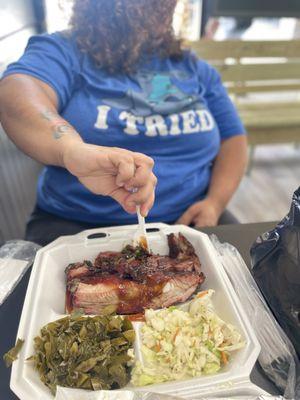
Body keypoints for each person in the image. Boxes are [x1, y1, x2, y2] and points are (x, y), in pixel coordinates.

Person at [0, 0, 247, 246]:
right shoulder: (63, 51)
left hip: (189, 219)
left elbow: (233, 138)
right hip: (77, 224)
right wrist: (71, 150)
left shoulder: (193, 67)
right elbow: (18, 92)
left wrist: (215, 202)